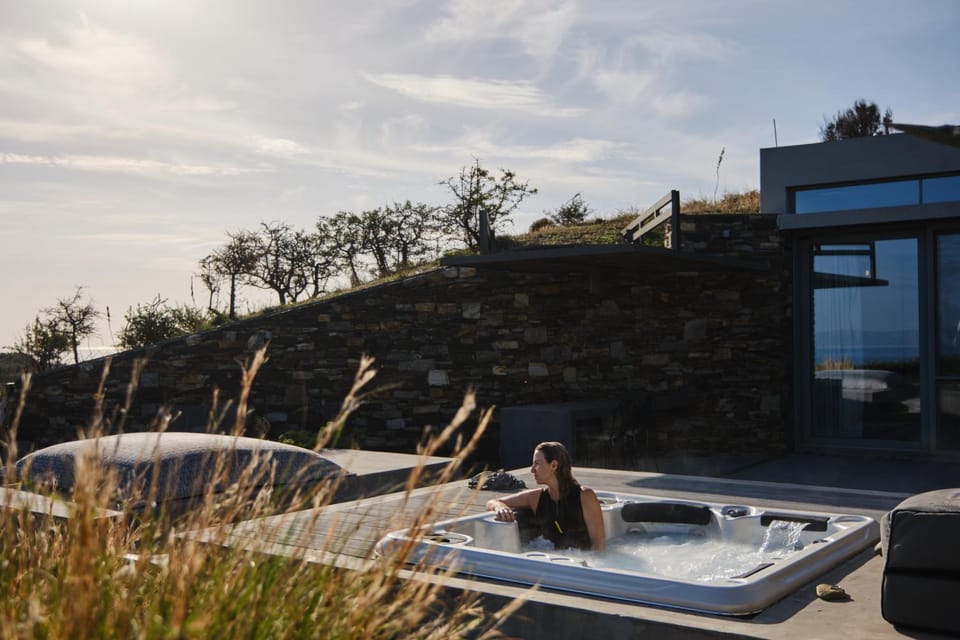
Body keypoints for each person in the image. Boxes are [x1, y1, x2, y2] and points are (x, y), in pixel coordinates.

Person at [485, 441, 605, 551]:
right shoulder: (536, 497)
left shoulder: (585, 496)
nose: (532, 470)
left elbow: (599, 547)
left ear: (553, 465)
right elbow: (493, 502)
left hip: (580, 565)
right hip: (550, 562)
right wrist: (499, 507)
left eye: (537, 464)